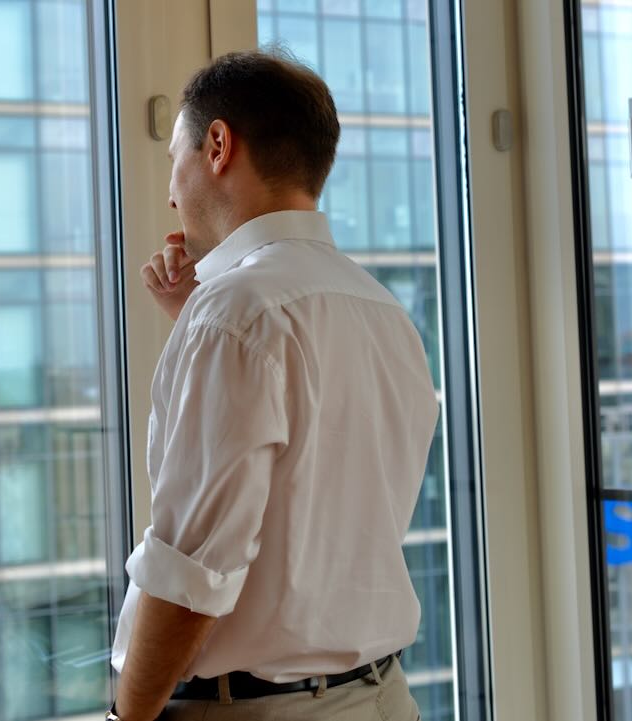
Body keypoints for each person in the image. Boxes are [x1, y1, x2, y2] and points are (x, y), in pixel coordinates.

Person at [107, 50, 438, 721]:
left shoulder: (234, 314)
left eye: (177, 158)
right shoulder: (379, 308)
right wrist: (191, 322)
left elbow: (191, 574)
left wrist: (126, 717)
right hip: (380, 699)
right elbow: (315, 500)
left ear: (219, 145)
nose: (171, 192)